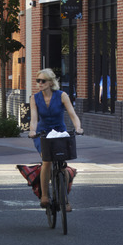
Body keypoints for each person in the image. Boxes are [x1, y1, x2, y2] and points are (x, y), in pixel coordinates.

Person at [28, 69, 83, 212]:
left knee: (62, 165)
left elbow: (73, 114)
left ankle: (65, 200)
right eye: (38, 80)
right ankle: (45, 196)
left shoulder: (62, 96)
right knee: (46, 161)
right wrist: (32, 131)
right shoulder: (34, 98)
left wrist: (78, 127)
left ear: (51, 83)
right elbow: (34, 119)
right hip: (43, 133)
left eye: (43, 81)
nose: (39, 83)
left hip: (59, 132)